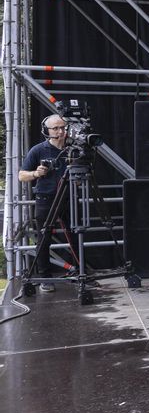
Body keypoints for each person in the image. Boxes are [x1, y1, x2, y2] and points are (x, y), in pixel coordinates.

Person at [18, 114, 70, 292]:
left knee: (76, 234)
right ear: (46, 130)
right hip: (46, 199)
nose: (60, 131)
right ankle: (45, 277)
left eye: (63, 127)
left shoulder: (72, 149)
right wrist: (36, 174)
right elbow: (21, 175)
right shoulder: (38, 150)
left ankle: (81, 271)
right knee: (44, 238)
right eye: (56, 128)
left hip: (69, 197)